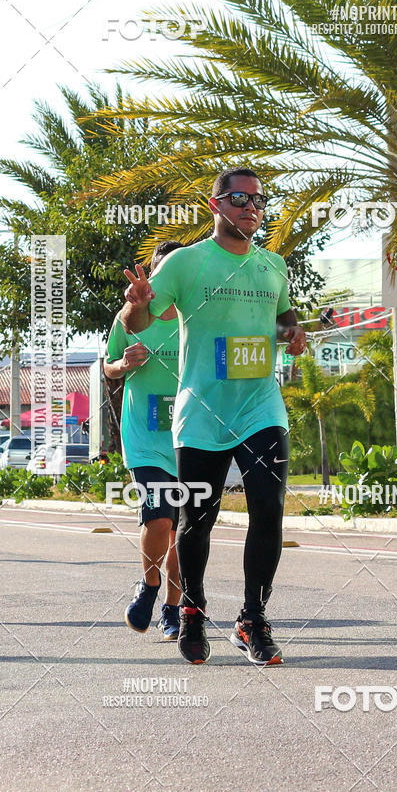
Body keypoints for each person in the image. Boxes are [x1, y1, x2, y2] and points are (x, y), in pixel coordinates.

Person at [122, 168, 306, 666]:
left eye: (258, 200)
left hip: (260, 407)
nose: (250, 207)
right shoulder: (186, 263)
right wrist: (134, 307)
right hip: (202, 412)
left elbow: (283, 315)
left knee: (268, 507)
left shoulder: (272, 266)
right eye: (239, 198)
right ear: (215, 205)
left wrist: (292, 332)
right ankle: (192, 611)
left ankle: (252, 619)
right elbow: (139, 318)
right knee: (197, 521)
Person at [104, 241, 184, 640]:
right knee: (160, 516)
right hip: (144, 436)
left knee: (182, 531)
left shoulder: (197, 316)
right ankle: (150, 586)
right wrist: (124, 363)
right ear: (152, 275)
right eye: (161, 270)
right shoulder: (130, 318)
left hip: (191, 433)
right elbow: (109, 366)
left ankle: (174, 608)